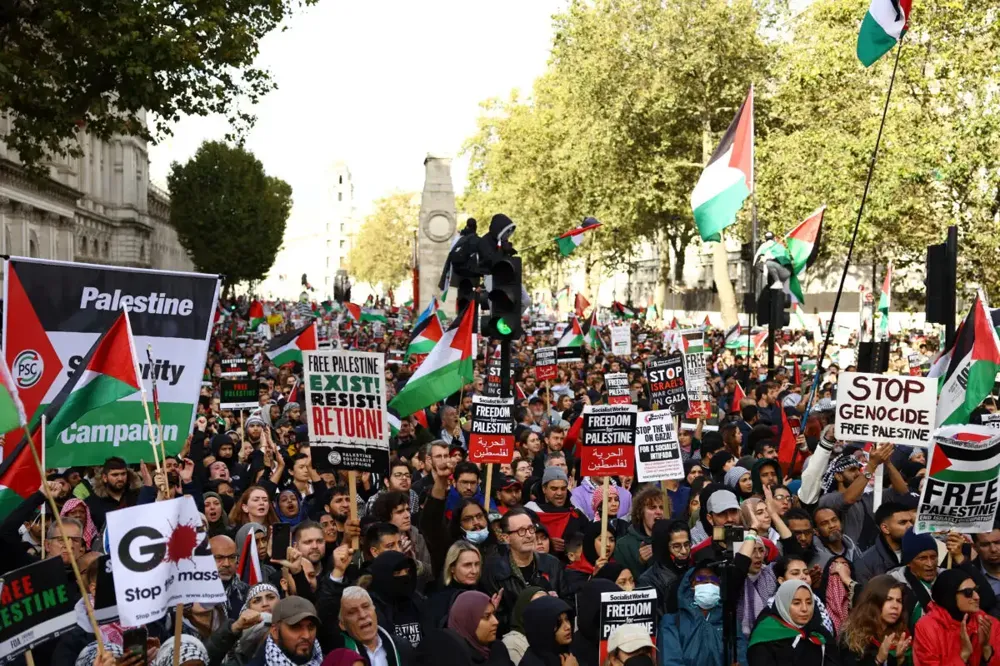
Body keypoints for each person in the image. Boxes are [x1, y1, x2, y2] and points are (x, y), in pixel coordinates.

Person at [482, 508, 565, 633]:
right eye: (521, 531)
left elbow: (567, 601)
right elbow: (496, 616)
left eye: (531, 529)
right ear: (506, 538)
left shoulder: (552, 564)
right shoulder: (494, 570)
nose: (528, 535)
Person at [659, 553, 747, 666]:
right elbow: (670, 661)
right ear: (690, 586)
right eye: (701, 578)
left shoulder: (730, 621)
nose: (709, 582)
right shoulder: (672, 622)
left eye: (714, 579)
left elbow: (741, 658)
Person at [913, 569, 1000, 666]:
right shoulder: (927, 627)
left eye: (976, 590)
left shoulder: (989, 623)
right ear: (950, 595)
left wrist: (986, 649)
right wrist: (964, 656)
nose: (977, 597)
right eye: (968, 592)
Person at [747, 579, 837, 666]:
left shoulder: (818, 631)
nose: (805, 609)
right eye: (797, 603)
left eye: (809, 602)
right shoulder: (765, 636)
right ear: (783, 604)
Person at [839, 575, 912, 666]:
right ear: (873, 602)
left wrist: (900, 659)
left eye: (899, 601)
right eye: (888, 599)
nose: (895, 606)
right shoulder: (852, 636)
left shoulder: (901, 635)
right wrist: (878, 660)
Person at [338, 586, 415, 666]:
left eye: (366, 606)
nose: (362, 615)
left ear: (374, 610)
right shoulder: (339, 658)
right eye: (352, 612)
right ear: (342, 624)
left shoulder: (402, 647)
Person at [367, 550, 425, 648]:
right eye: (397, 573)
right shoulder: (371, 608)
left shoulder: (418, 601)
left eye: (407, 571)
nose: (404, 576)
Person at [854, 501, 915, 588]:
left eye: (911, 521)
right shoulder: (865, 563)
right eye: (903, 522)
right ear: (885, 528)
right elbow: (866, 597)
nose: (910, 526)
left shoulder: (919, 552)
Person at [424, 541, 483, 631]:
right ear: (452, 568)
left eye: (477, 564)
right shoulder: (438, 601)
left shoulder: (483, 595)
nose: (474, 571)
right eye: (467, 565)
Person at [249, 596, 323, 666]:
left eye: (311, 627)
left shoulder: (329, 662)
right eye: (296, 627)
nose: (307, 635)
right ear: (275, 632)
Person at [639, 520, 690, 618]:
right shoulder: (648, 582)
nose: (684, 551)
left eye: (687, 544)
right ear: (663, 548)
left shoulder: (694, 572)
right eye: (676, 546)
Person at [446, 591, 511, 666]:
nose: (496, 621)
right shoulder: (454, 659)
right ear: (468, 621)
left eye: (494, 614)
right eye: (487, 616)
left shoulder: (498, 649)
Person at [613, 487, 666, 580]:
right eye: (652, 507)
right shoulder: (623, 545)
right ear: (640, 512)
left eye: (661, 507)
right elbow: (622, 583)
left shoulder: (671, 540)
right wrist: (640, 563)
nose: (658, 512)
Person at [519, 596, 576, 666]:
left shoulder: (570, 652)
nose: (568, 627)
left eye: (567, 619)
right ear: (542, 628)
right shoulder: (531, 662)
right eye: (558, 623)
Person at [501, 587, 546, 666]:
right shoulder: (512, 643)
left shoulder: (553, 635)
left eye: (546, 604)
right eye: (536, 604)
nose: (543, 609)